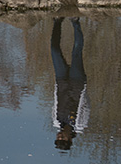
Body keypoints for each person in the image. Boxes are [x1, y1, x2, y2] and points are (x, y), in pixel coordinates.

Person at [51, 17, 88, 150]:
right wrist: (83, 87)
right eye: (63, 139)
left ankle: (57, 22)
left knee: (54, 51)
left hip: (62, 83)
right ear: (69, 139)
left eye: (58, 138)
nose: (60, 136)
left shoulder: (57, 121)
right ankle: (76, 22)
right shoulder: (79, 124)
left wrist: (57, 85)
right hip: (77, 84)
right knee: (76, 52)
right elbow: (85, 105)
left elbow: (55, 102)